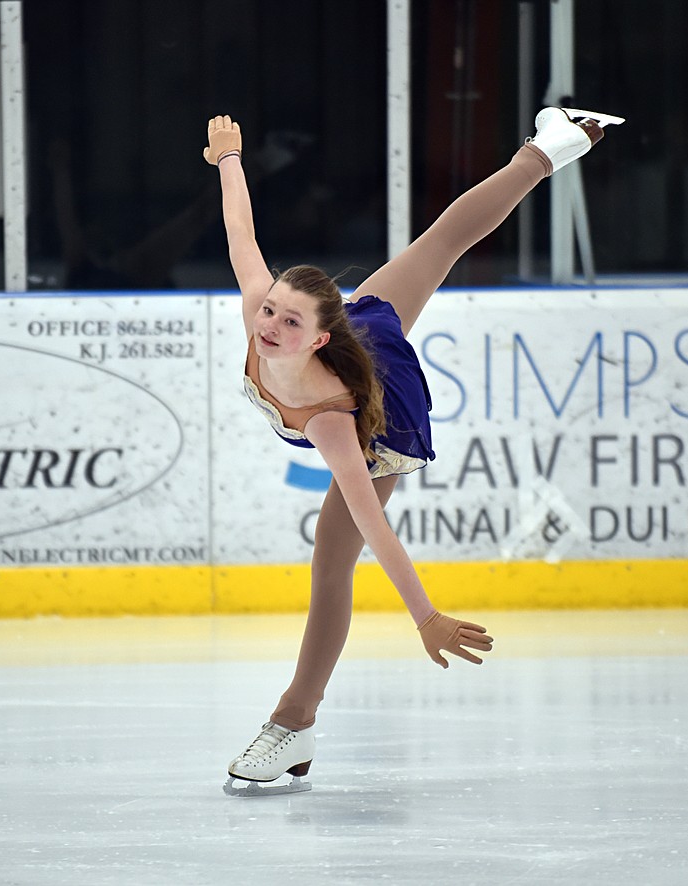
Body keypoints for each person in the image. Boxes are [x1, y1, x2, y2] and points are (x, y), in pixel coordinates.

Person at [206, 106, 621, 794]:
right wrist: (229, 158)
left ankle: (293, 720)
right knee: (439, 244)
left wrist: (425, 617)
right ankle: (552, 143)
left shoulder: (337, 424)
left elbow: (377, 526)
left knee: (330, 565)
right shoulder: (265, 318)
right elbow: (241, 235)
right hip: (356, 335)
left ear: (316, 340)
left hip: (380, 411)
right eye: (269, 309)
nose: (268, 324)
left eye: (287, 320)